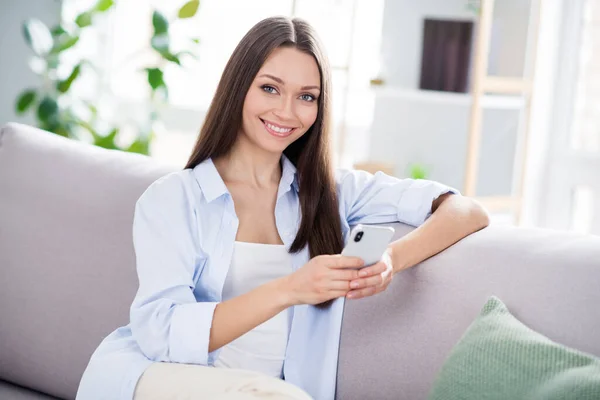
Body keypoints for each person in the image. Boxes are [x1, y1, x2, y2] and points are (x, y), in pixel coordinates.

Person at [76, 16, 489, 400]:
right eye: (270, 88)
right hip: (159, 379)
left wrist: (390, 259)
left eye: (306, 97)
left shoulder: (331, 193)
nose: (286, 112)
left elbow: (466, 211)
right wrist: (290, 289)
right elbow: (160, 334)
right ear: (239, 87)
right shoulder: (173, 198)